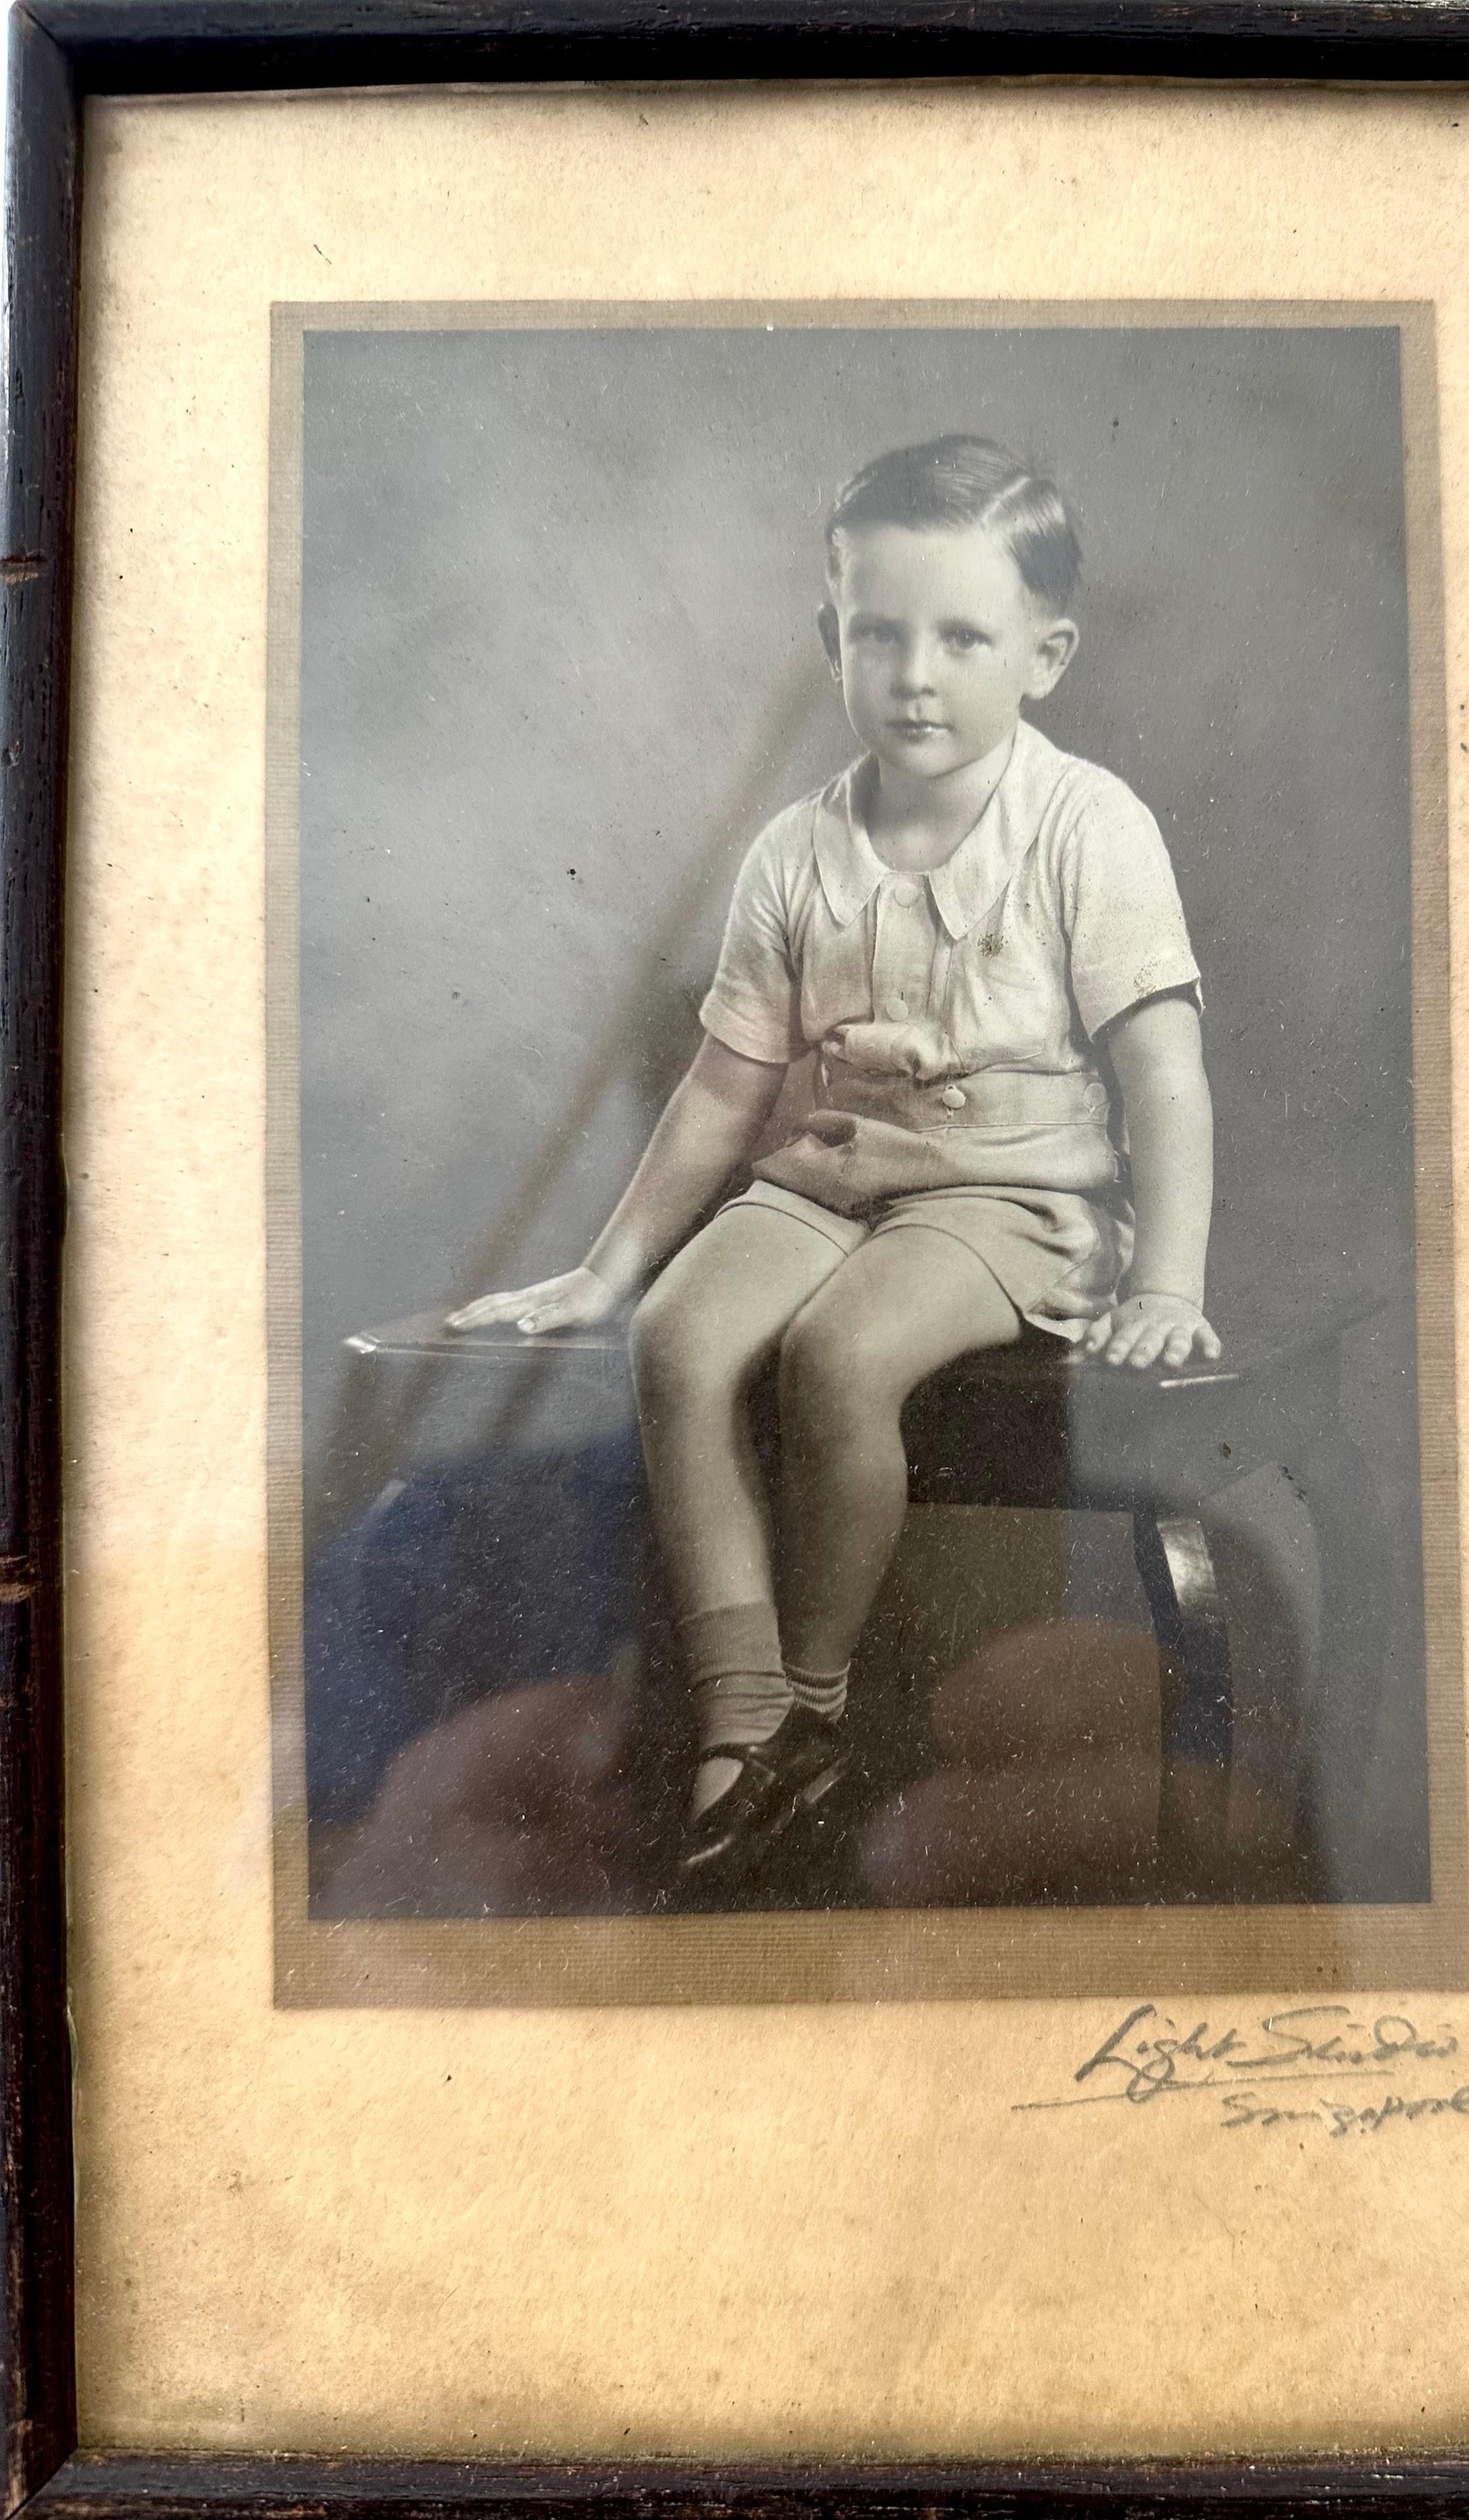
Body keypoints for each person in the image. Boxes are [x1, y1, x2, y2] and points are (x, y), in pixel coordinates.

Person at [447, 435, 1219, 1880]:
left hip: (1010, 1198)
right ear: (830, 641)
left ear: (1042, 655)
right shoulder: (795, 854)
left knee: (842, 1357)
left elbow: (1160, 1072)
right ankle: (747, 1718)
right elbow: (724, 1087)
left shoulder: (1085, 827)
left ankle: (814, 1695)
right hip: (828, 1178)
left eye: (960, 637)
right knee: (678, 1341)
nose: (914, 673)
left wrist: (1168, 1273)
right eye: (879, 634)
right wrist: (605, 1267)